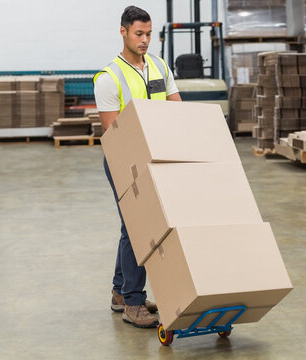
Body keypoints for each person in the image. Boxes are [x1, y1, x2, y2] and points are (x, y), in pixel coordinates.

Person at [93, 5, 182, 329]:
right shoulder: (109, 77)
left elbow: (177, 108)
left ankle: (120, 292)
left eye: (148, 34)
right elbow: (112, 134)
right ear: (123, 32)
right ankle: (133, 301)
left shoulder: (159, 66)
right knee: (138, 228)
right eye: (138, 34)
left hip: (156, 157)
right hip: (124, 162)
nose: (145, 40)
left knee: (130, 227)